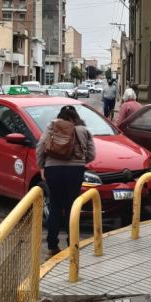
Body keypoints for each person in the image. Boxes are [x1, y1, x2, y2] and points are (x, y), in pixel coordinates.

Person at [36, 105, 96, 258]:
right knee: (72, 207)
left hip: (53, 170)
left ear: (60, 115)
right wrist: (80, 161)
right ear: (76, 116)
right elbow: (91, 154)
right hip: (74, 172)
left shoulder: (52, 126)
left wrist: (42, 165)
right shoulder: (83, 130)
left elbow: (40, 146)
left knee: (55, 205)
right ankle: (72, 243)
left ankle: (52, 246)